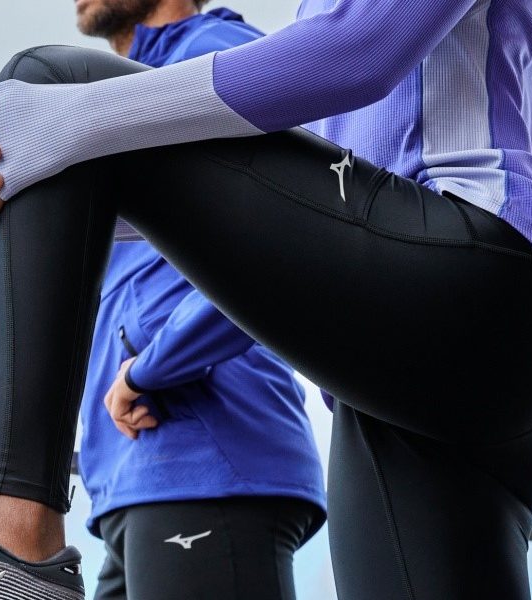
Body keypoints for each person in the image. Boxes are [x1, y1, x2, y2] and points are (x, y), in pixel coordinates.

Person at [0, 0, 532, 598]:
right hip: (433, 379)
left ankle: (8, 539)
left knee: (51, 82)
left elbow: (352, 53)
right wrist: (75, 196)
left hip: (479, 283)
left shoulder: (252, 35)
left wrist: (74, 125)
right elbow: (302, 229)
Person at [71, 2, 325, 600]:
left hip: (206, 453)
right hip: (132, 477)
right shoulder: (119, 100)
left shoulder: (216, 55)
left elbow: (288, 236)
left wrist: (152, 367)